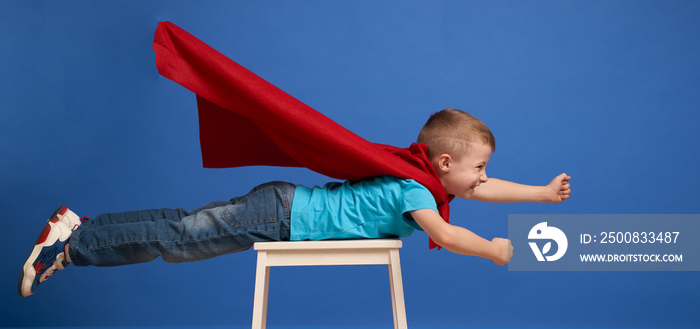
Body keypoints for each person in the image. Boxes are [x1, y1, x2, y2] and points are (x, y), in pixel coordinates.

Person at [18, 109, 571, 297]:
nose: (483, 180)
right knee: (182, 237)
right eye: (477, 167)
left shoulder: (421, 177)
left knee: (181, 232)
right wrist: (497, 250)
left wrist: (542, 194)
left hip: (281, 213)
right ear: (445, 163)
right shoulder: (415, 189)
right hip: (279, 216)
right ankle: (76, 244)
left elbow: (483, 189)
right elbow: (448, 237)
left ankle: (80, 229)